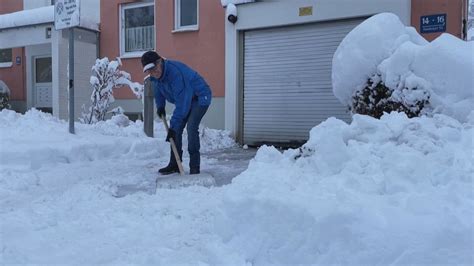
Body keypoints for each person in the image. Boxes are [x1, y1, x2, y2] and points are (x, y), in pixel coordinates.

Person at [141, 51, 212, 175]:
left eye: (154, 68)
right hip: (186, 98)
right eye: (149, 71)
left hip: (200, 97)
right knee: (176, 128)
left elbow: (182, 104)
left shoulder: (175, 74)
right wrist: (160, 106)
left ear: (159, 62)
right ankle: (175, 164)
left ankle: (194, 166)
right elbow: (158, 91)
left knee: (191, 127)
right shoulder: (155, 77)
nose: (153, 73)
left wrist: (172, 128)